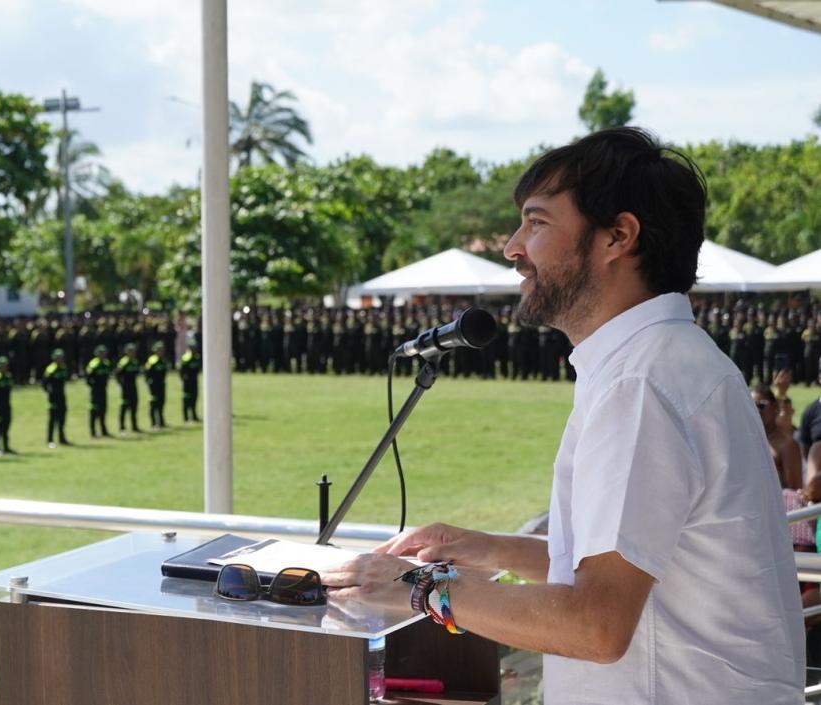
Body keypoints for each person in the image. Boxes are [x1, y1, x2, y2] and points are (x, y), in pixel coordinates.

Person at [323, 127, 803, 703]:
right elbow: (633, 561)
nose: (512, 247)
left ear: (617, 237)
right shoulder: (661, 361)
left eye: (538, 222)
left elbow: (595, 623)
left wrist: (418, 587)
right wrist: (489, 548)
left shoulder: (641, 383)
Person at [752, 383, 803, 491]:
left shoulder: (787, 444)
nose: (757, 411)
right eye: (752, 406)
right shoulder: (745, 440)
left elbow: (794, 492)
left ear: (775, 406)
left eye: (761, 405)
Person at [42, 348, 70, 448]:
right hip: (53, 397)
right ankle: (50, 439)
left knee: (62, 417)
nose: (60, 360)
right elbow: (44, 384)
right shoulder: (50, 370)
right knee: (53, 419)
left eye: (61, 358)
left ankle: (62, 438)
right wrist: (49, 394)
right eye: (58, 358)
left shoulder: (63, 368)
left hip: (62, 396)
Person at [85, 345, 112, 438]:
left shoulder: (106, 363)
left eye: (104, 353)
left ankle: (103, 430)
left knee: (103, 410)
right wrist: (94, 386)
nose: (103, 355)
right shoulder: (93, 364)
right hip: (95, 391)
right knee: (94, 411)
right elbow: (88, 378)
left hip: (103, 390)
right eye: (101, 354)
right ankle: (93, 432)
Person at [115, 342, 141, 433]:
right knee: (124, 407)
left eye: (134, 352)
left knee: (134, 406)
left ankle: (134, 426)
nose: (133, 354)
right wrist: (120, 385)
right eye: (131, 352)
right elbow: (117, 375)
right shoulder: (123, 363)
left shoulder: (135, 362)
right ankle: (122, 427)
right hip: (125, 388)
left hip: (133, 387)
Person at [144, 341, 169, 428]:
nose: (161, 352)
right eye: (159, 350)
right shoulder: (152, 361)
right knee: (154, 403)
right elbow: (146, 373)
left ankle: (161, 421)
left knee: (161, 403)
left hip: (161, 384)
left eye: (162, 350)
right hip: (154, 385)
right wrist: (149, 383)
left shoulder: (163, 361)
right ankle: (153, 422)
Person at [179, 342, 201, 423]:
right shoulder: (185, 358)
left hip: (194, 381)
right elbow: (181, 371)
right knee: (187, 399)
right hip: (187, 383)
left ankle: (194, 416)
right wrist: (184, 380)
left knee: (194, 398)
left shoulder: (196, 357)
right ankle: (186, 417)